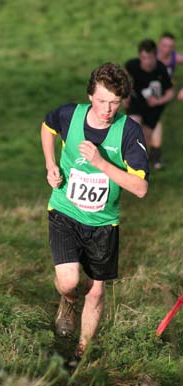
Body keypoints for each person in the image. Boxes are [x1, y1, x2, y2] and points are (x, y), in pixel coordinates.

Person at [41, 63, 149, 365]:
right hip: (65, 210)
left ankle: (79, 354)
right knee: (68, 281)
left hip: (103, 224)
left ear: (123, 101)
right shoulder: (68, 115)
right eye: (102, 101)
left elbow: (140, 188)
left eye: (114, 102)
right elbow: (47, 127)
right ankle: (68, 300)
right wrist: (51, 164)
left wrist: (102, 164)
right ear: (90, 95)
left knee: (97, 292)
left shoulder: (128, 131)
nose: (107, 109)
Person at [125, 39, 174, 170]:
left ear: (155, 55)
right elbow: (123, 80)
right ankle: (127, 158)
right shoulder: (132, 65)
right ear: (140, 56)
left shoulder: (161, 69)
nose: (147, 61)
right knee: (133, 125)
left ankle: (143, 162)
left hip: (152, 109)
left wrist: (158, 101)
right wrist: (125, 95)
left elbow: (170, 92)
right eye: (143, 58)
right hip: (136, 104)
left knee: (146, 136)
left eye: (150, 58)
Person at [157, 32, 183, 101]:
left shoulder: (175, 57)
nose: (167, 49)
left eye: (170, 46)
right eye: (164, 45)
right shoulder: (150, 56)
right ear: (158, 44)